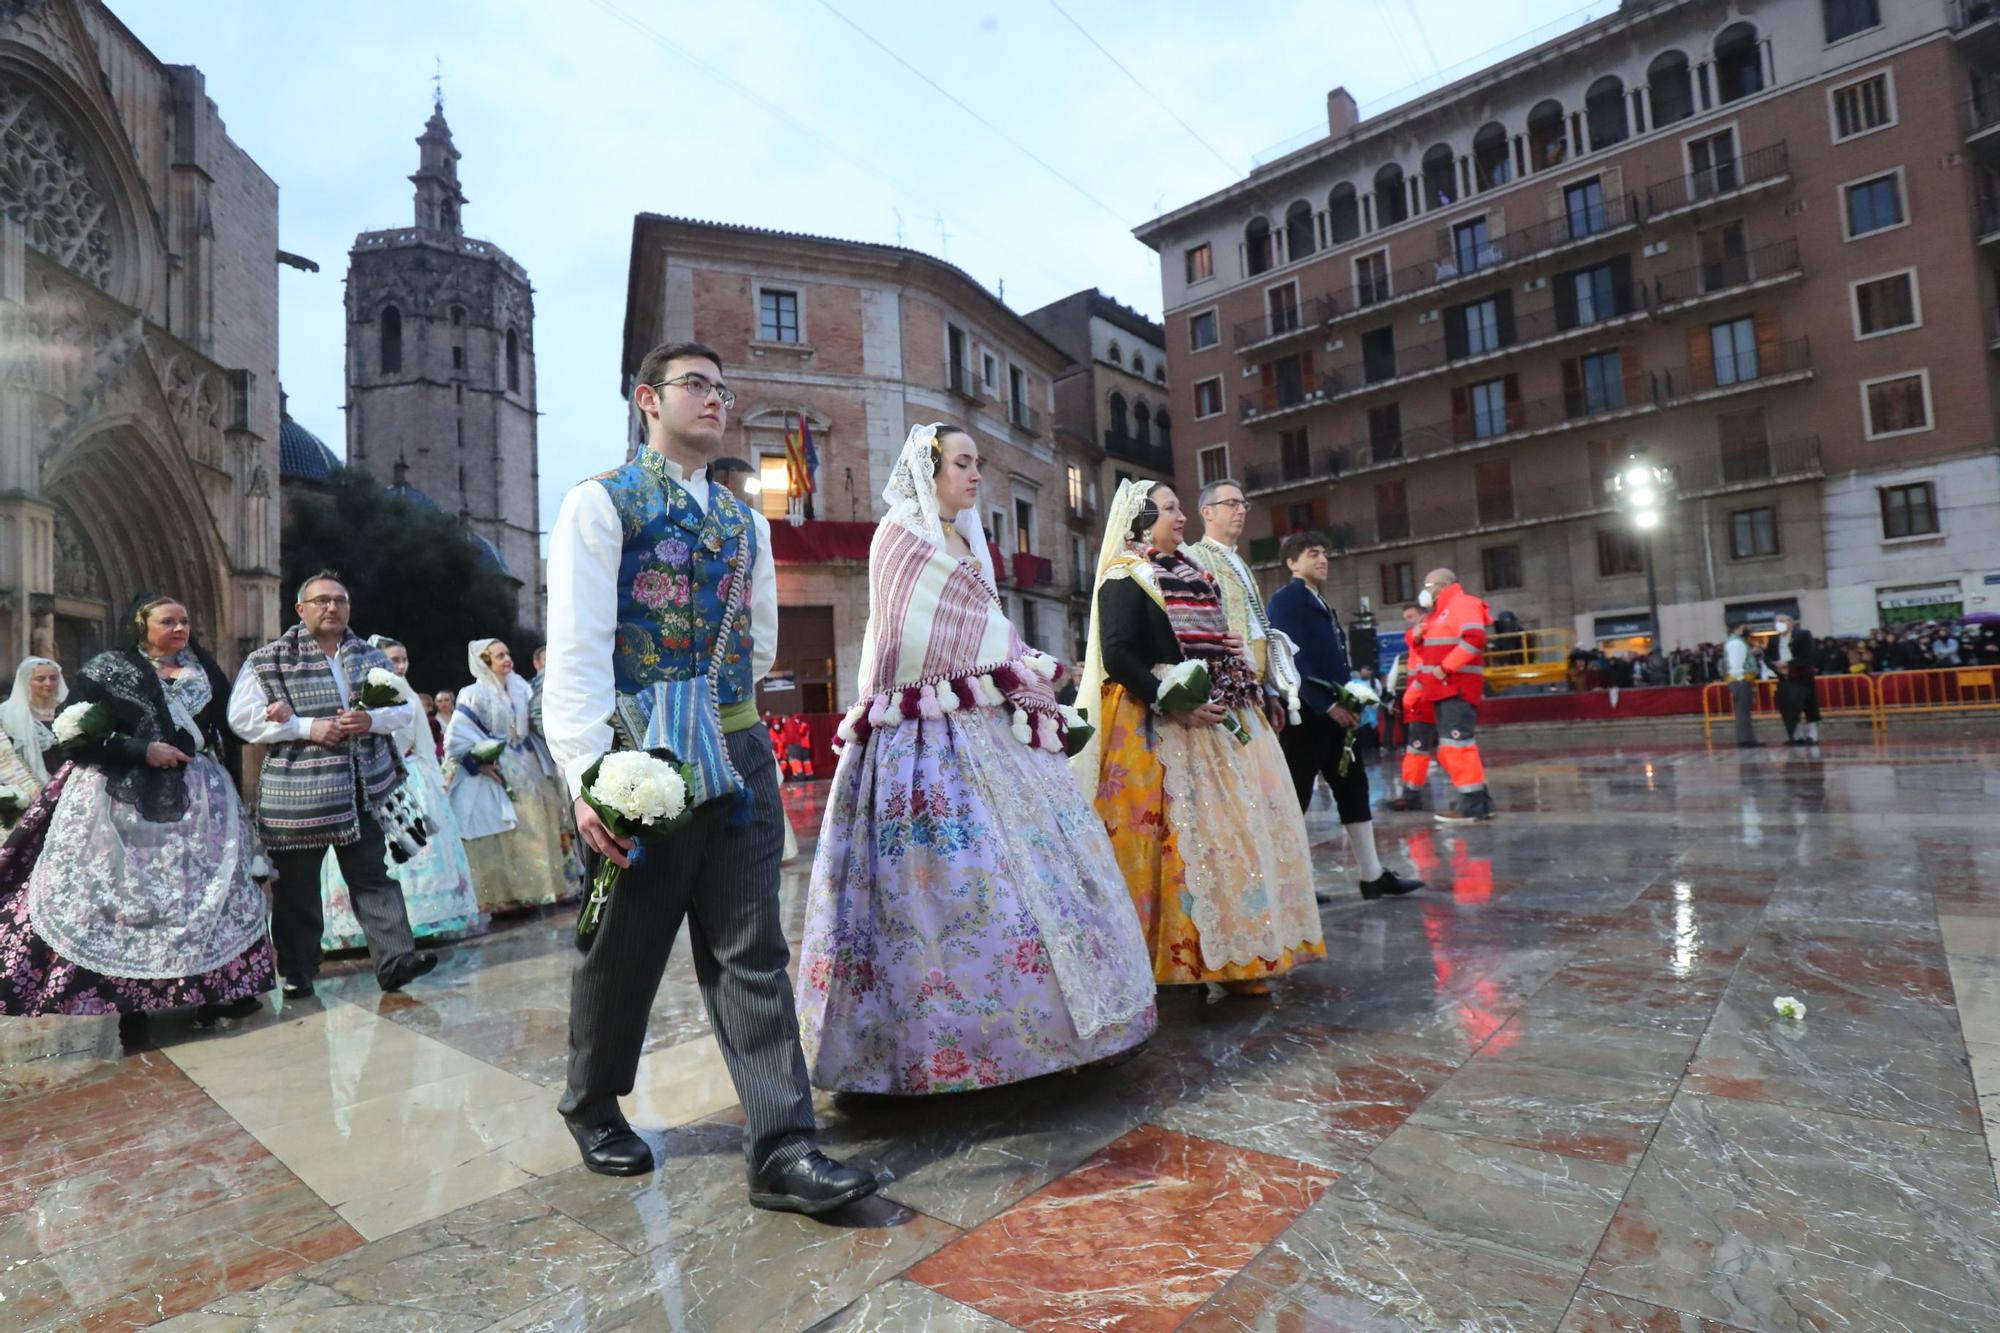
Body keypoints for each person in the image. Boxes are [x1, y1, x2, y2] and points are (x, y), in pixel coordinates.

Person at [545, 339, 874, 1210]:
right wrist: (586, 776)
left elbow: (758, 642)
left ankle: (782, 1146)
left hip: (736, 754)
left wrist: (722, 714)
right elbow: (576, 651)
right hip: (638, 759)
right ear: (647, 400)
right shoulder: (599, 502)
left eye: (724, 390)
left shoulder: (744, 521)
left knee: (750, 948)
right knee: (624, 945)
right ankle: (590, 1099)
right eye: (696, 385)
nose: (716, 400)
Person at [798, 424, 1153, 1095]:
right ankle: (938, 1052)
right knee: (941, 893)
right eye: (961, 463)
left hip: (988, 717)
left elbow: (987, 622)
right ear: (927, 469)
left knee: (1036, 875)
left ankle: (1055, 1036)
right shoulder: (900, 533)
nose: (975, 475)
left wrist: (1014, 661)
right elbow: (906, 632)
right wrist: (1016, 659)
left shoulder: (972, 539)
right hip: (924, 732)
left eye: (977, 463)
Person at [1074, 478, 1323, 998]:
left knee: (1230, 838)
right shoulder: (1124, 577)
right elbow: (1118, 653)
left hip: (1216, 713)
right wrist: (1169, 698)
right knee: (1172, 845)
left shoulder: (1193, 572)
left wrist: (1224, 647)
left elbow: (1208, 637)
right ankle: (1178, 961)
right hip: (1157, 722)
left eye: (1180, 506)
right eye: (1169, 509)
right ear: (1142, 520)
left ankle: (1239, 956)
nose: (1181, 516)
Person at [0, 595, 274, 1024]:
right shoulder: (107, 669)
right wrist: (140, 749)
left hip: (200, 798)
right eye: (168, 621)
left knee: (206, 896)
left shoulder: (204, 671)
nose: (180, 629)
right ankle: (130, 1001)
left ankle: (220, 991)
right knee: (132, 899)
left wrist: (265, 718)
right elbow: (72, 731)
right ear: (141, 626)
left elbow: (230, 727)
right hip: (123, 801)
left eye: (184, 621)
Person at [232, 573, 437, 999]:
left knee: (372, 876)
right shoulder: (268, 660)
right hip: (299, 793)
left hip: (363, 787)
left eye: (340, 601)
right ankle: (298, 970)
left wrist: (371, 720)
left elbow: (403, 710)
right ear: (300, 609)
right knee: (297, 888)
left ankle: (396, 961)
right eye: (322, 601)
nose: (332, 608)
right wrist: (307, 726)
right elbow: (242, 719)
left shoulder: (371, 657)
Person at [1266, 530, 1425, 901]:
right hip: (1306, 716)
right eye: (1312, 554)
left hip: (1338, 716)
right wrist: (1326, 703)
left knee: (1354, 788)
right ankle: (1293, 885)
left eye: (1325, 554)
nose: (1322, 559)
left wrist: (1349, 698)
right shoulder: (1287, 599)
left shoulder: (1319, 600)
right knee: (1297, 796)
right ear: (1292, 563)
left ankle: (1373, 876)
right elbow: (1290, 659)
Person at [319, 636, 482, 951]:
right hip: (375, 780)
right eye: (394, 660)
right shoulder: (364, 690)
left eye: (403, 659)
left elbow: (418, 738)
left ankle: (423, 919)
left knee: (415, 851)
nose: (400, 666)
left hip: (408, 778)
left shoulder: (403, 691)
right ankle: (371, 923)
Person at [444, 638, 582, 912]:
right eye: (499, 656)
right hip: (500, 763)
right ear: (485, 662)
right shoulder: (474, 693)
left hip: (528, 761)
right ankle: (510, 895)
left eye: (507, 654)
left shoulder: (521, 687)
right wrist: (477, 761)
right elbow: (457, 736)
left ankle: (543, 888)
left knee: (540, 821)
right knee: (511, 830)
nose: (507, 659)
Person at [1393, 567, 1497, 823]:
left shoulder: (1462, 604)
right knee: (1455, 747)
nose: (1424, 592)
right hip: (1442, 689)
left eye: (1427, 587)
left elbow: (1474, 639)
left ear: (1439, 586)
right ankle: (1478, 801)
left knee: (1457, 746)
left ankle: (1471, 806)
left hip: (1454, 688)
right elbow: (1425, 653)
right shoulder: (1440, 613)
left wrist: (1443, 669)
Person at [0, 656, 66, 794]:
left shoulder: (67, 711)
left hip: (66, 785)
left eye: (53, 678)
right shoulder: (7, 714)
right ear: (26, 681)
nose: (48, 683)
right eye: (40, 679)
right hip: (25, 787)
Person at [1764, 612, 1820, 745]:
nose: (1780, 624)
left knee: (1808, 705)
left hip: (1803, 676)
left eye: (1783, 620)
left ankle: (1812, 734)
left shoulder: (1803, 635)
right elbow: (1767, 657)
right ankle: (1796, 735)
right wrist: (1775, 666)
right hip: (1785, 678)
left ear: (1791, 622)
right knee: (1789, 707)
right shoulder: (1773, 640)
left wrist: (1789, 664)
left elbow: (1808, 654)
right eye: (1777, 621)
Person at [1724, 621, 1760, 748]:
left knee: (1744, 711)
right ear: (1738, 628)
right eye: (1744, 627)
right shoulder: (1736, 643)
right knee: (1742, 711)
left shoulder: (1738, 642)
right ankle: (1745, 740)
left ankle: (1748, 738)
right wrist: (1740, 679)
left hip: (1742, 679)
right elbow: (1736, 664)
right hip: (1741, 680)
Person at [528, 645, 549, 742]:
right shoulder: (547, 675)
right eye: (547, 659)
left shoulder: (526, 686)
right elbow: (535, 713)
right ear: (536, 664)